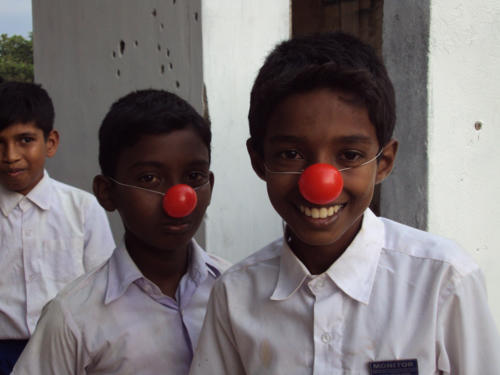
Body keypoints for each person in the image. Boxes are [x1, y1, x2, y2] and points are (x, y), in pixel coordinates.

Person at [189, 32, 500, 374]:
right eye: (291, 154)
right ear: (259, 161)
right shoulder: (235, 296)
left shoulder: (444, 282)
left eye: (350, 155)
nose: (320, 184)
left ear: (384, 162)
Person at [12, 89, 230, 375]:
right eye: (149, 178)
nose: (179, 198)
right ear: (107, 192)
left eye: (194, 177)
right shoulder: (73, 318)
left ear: (209, 185)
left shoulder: (233, 290)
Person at [0, 81, 115, 374]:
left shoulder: (83, 209)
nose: (10, 155)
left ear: (50, 142)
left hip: (68, 353)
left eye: (25, 140)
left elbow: (104, 292)